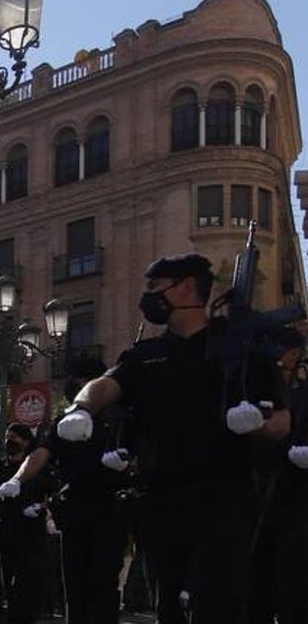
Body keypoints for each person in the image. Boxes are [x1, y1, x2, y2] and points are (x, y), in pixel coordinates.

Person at [57, 253, 290, 623]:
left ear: (184, 287)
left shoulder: (241, 351)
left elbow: (280, 421)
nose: (149, 296)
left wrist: (256, 424)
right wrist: (80, 409)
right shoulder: (146, 355)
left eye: (155, 287)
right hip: (161, 498)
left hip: (225, 494)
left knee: (215, 597)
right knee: (168, 605)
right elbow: (105, 385)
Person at [0, 371, 134, 624]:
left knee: (103, 582)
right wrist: (18, 478)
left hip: (109, 507)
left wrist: (127, 463)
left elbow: (145, 447)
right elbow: (41, 453)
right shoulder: (65, 420)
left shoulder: (121, 416)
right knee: (74, 584)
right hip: (74, 510)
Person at [249, 327, 308, 624]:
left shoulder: (303, 394)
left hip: (295, 505)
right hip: (256, 504)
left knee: (293, 594)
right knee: (255, 593)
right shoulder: (257, 394)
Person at [0, 423, 54, 624]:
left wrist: (39, 507)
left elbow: (52, 493)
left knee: (26, 581)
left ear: (26, 441)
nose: (10, 441)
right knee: (8, 583)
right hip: (5, 532)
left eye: (15, 437)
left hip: (31, 532)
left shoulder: (36, 465)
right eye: (7, 436)